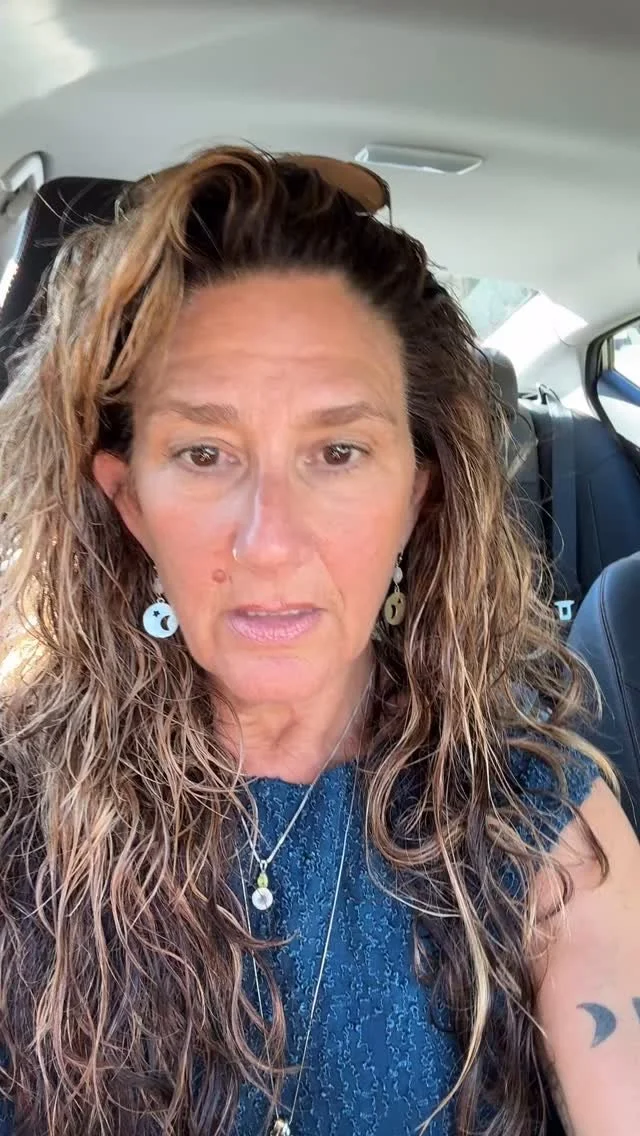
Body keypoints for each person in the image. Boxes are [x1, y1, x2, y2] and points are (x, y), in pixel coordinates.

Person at [0, 146, 637, 1136]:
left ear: (417, 495)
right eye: (204, 453)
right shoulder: (19, 808)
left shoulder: (536, 816)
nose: (270, 541)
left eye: (337, 451)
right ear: (130, 504)